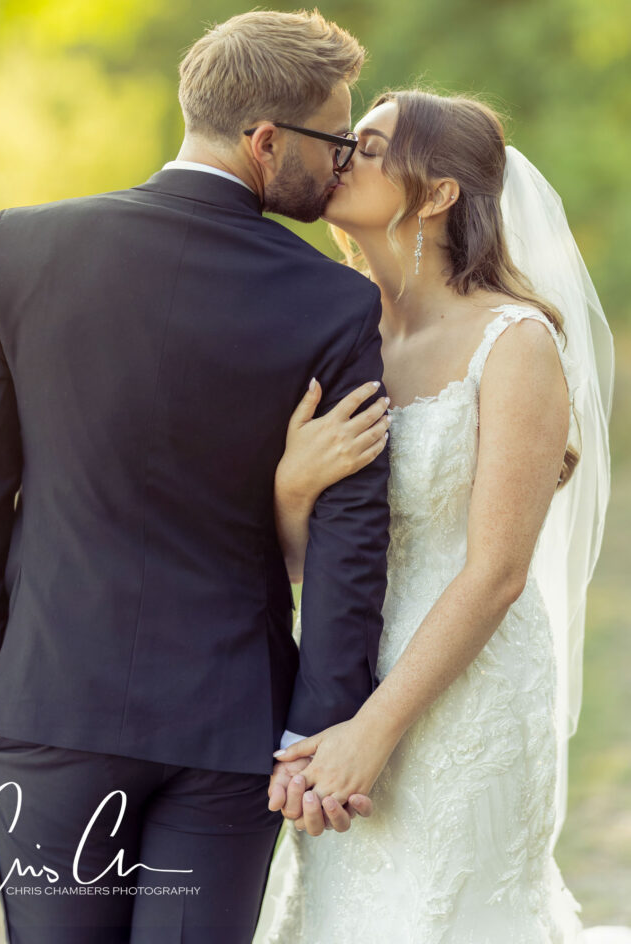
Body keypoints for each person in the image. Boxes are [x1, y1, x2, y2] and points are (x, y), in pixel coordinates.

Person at [0, 9, 392, 943]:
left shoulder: (24, 247)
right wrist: (315, 730)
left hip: (49, 708)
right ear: (266, 141)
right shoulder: (335, 301)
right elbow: (352, 537)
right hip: (230, 730)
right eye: (333, 139)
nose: (340, 161)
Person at [254, 89, 625, 943]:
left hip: (466, 696)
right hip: (343, 673)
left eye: (373, 147)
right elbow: (299, 560)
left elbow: (497, 572)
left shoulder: (515, 341)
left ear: (441, 191)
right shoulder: (342, 335)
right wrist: (291, 487)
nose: (344, 156)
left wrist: (372, 733)